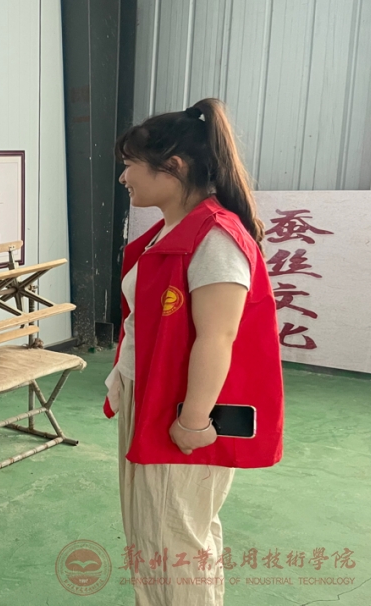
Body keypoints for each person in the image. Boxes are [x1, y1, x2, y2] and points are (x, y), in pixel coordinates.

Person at [105, 98, 284, 605]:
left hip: (180, 412)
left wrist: (193, 421)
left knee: (175, 544)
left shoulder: (216, 239)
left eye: (130, 164)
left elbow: (218, 337)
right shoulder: (174, 230)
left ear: (174, 166)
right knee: (159, 536)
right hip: (150, 398)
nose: (124, 177)